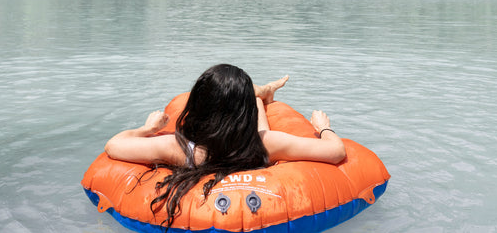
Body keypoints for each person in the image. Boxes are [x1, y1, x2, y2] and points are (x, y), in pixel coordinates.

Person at [104, 64, 346, 229]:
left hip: (231, 137)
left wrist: (147, 129)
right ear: (245, 115)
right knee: (260, 122)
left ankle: (261, 93)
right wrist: (324, 127)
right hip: (249, 142)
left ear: (197, 107)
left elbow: (114, 145)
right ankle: (262, 94)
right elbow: (336, 152)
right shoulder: (266, 143)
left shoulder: (177, 148)